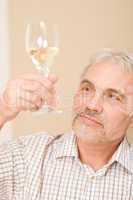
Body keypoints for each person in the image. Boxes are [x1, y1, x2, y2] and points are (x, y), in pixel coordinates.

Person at [0, 49, 133, 199]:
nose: (92, 105)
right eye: (87, 89)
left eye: (113, 97)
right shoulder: (29, 155)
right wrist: (3, 110)